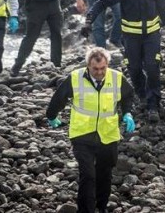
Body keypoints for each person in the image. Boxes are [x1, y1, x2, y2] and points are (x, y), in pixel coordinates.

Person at [82, 0, 165, 123]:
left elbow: (163, 8)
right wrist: (89, 20)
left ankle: (153, 104)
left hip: (151, 35)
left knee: (153, 66)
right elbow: (102, 2)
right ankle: (141, 94)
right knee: (134, 68)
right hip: (131, 36)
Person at [45, 47, 135, 213]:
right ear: (88, 66)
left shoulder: (117, 78)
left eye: (103, 68)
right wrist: (51, 116)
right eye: (95, 69)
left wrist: (127, 113)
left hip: (108, 135)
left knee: (104, 175)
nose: (99, 72)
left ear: (107, 65)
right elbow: (59, 97)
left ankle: (101, 207)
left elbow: (128, 96)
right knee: (88, 175)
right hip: (82, 135)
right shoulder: (75, 78)